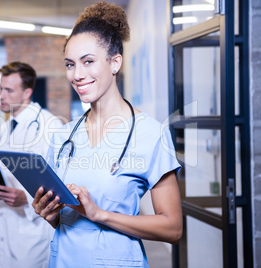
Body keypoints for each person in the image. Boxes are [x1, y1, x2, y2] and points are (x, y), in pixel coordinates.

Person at [31, 2, 183, 268]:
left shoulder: (151, 134)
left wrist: (100, 214)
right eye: (70, 64)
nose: (77, 75)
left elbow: (172, 228)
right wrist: (50, 213)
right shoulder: (63, 136)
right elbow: (61, 218)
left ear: (115, 62)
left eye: (88, 62)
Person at [0, 61, 63, 267]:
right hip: (1, 225)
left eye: (9, 90)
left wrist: (27, 197)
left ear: (27, 92)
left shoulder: (49, 126)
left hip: (32, 228)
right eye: (0, 89)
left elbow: (59, 182)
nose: (2, 95)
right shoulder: (1, 131)